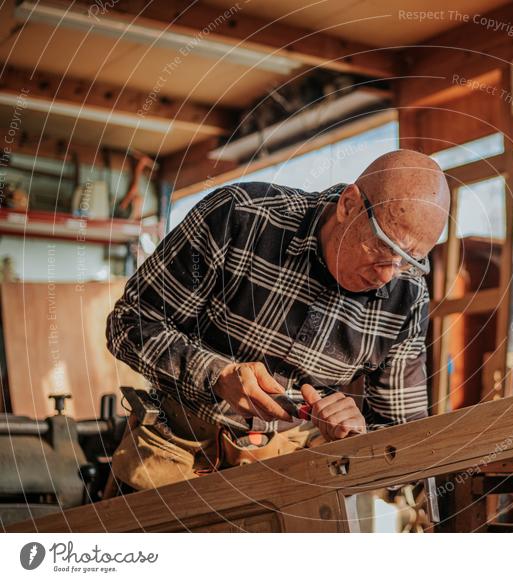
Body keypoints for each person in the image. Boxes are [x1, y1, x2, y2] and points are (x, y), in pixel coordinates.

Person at [105, 149, 450, 492]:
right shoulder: (240, 216)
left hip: (289, 466)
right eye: (383, 246)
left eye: (409, 260)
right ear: (348, 205)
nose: (389, 275)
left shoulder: (408, 296)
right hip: (177, 444)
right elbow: (128, 324)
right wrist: (215, 375)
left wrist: (355, 438)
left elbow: (402, 437)